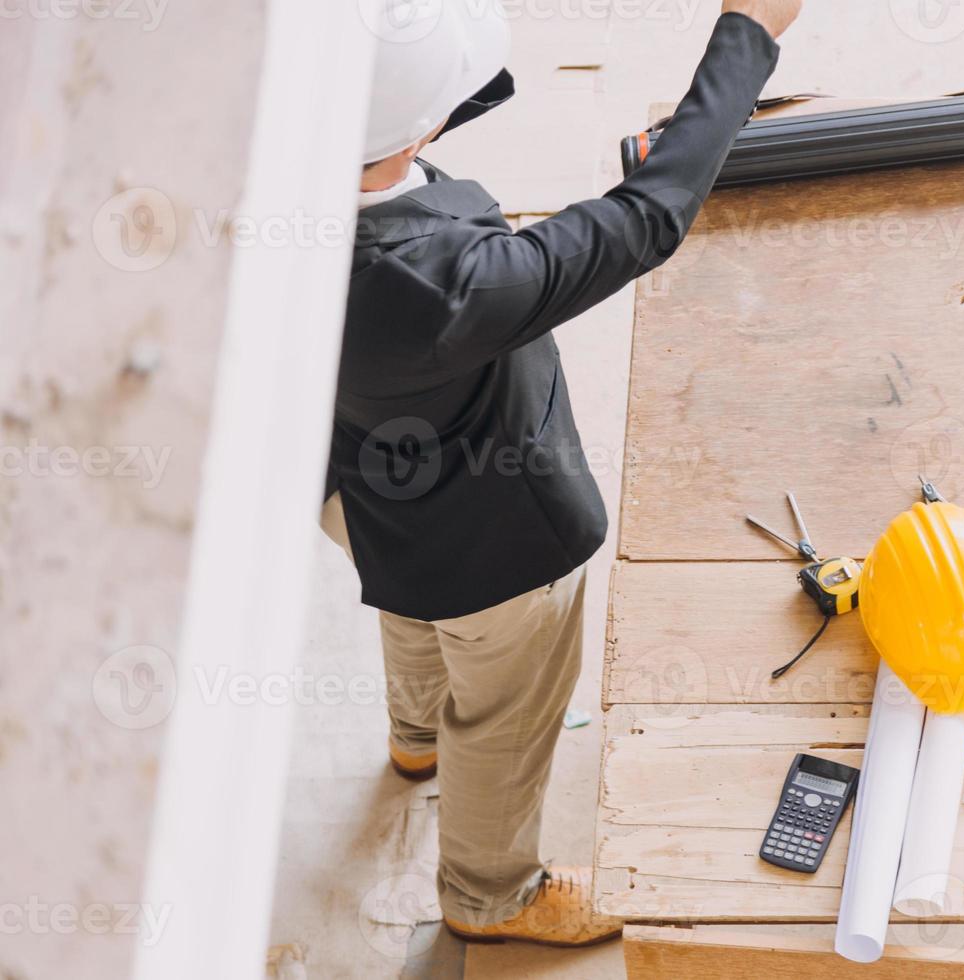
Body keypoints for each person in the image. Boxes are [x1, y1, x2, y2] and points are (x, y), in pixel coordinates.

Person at [320, 0, 803, 948]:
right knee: (503, 706)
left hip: (366, 481)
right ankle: (488, 894)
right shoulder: (448, 282)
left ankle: (414, 739)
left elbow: (400, 122)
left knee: (413, 604)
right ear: (415, 125)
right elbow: (646, 217)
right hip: (492, 540)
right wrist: (749, 31)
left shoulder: (273, 211)